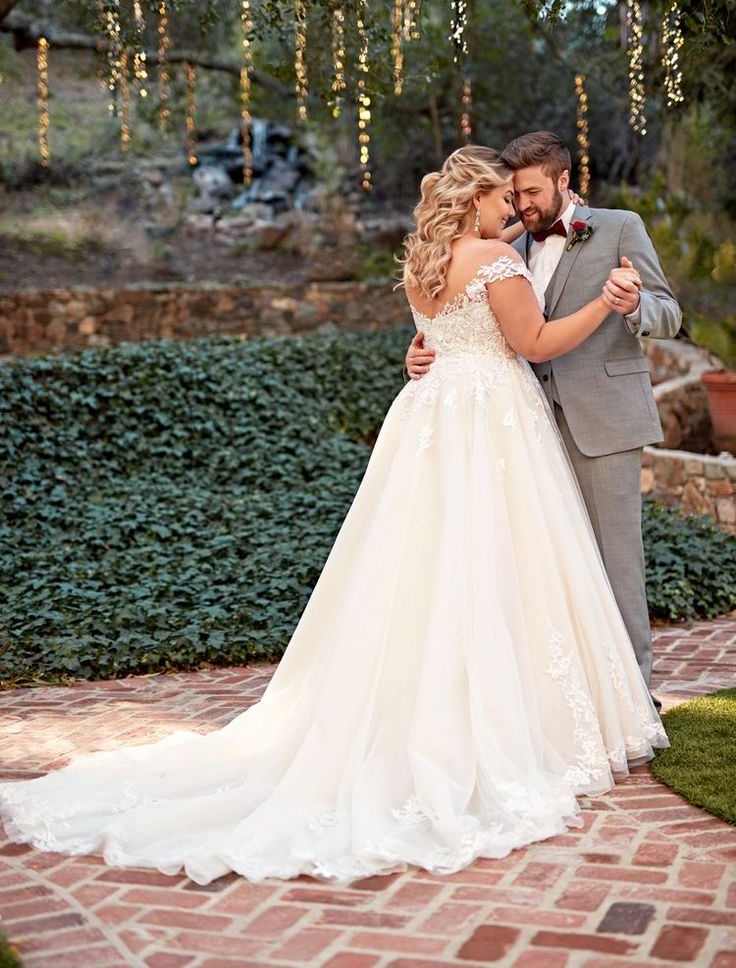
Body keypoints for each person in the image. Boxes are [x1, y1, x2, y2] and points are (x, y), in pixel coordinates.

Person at [0, 146, 667, 887]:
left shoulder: (429, 257)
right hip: (493, 422)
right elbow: (534, 342)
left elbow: (444, 326)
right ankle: (511, 726)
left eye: (523, 201)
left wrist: (435, 344)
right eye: (504, 202)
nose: (514, 212)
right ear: (477, 198)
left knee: (427, 569)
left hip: (436, 420)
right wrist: (602, 303)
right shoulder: (499, 262)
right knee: (497, 568)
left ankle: (434, 711)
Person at [406, 132, 681, 690]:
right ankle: (563, 696)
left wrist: (633, 307)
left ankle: (634, 693)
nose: (523, 205)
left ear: (563, 181)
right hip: (518, 428)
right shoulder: (509, 241)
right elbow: (471, 313)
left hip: (600, 420)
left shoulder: (620, 226)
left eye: (530, 193)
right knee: (541, 568)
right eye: (513, 195)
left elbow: (669, 312)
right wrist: (419, 350)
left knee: (614, 563)